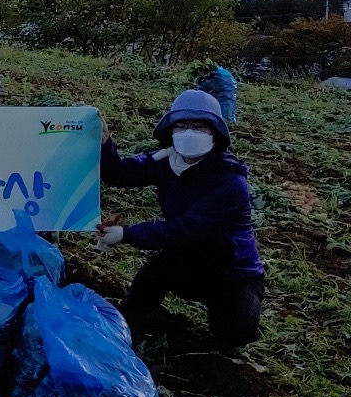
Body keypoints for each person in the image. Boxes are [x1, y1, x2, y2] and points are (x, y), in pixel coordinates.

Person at [95, 89, 264, 347]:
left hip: (233, 271)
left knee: (234, 332)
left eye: (199, 126)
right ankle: (132, 317)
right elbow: (120, 173)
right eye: (181, 125)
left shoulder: (230, 182)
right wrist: (105, 144)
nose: (189, 133)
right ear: (171, 131)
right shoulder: (166, 161)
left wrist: (126, 234)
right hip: (187, 257)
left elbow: (183, 228)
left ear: (215, 133)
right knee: (160, 269)